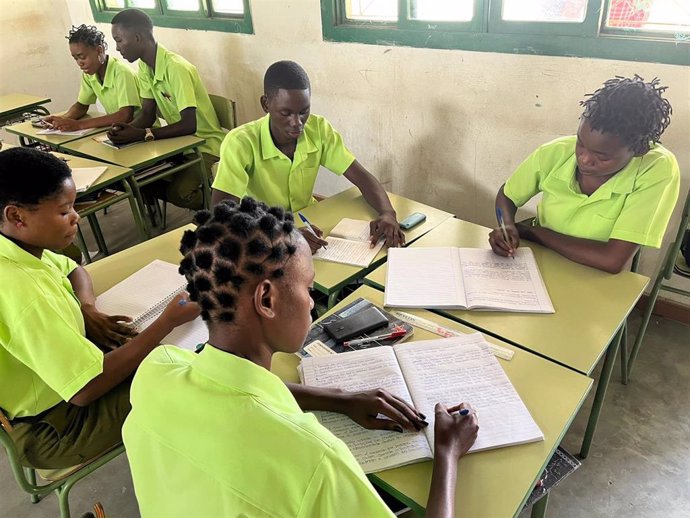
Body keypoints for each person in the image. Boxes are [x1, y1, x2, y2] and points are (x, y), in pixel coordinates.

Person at [123, 198, 479, 517]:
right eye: (308, 289)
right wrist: (447, 453)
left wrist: (339, 399)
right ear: (267, 300)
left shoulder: (156, 370)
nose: (312, 302)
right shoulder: (315, 460)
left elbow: (232, 391)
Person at [0, 147, 199, 469]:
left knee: (156, 356)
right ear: (17, 216)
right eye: (64, 211)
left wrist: (87, 308)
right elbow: (85, 388)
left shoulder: (17, 249)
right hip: (54, 426)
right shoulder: (23, 291)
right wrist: (166, 322)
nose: (76, 217)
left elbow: (73, 269)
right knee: (189, 376)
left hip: (59, 390)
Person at [489, 75, 680, 274]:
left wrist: (533, 232)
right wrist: (507, 226)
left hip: (594, 273)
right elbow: (508, 194)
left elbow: (611, 261)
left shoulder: (657, 169)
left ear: (639, 150)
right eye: (580, 143)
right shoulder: (556, 151)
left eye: (602, 156)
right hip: (541, 259)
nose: (584, 159)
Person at [211, 60, 405, 253]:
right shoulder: (240, 142)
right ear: (266, 104)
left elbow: (361, 177)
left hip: (308, 222)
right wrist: (283, 235)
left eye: (304, 112)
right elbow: (221, 216)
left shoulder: (318, 130)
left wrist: (388, 213)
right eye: (285, 113)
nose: (297, 123)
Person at [107, 8, 225, 210]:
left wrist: (144, 134)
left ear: (137, 38)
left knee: (180, 193)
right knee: (141, 181)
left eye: (119, 40)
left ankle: (223, 207)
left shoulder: (176, 68)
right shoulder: (145, 67)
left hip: (205, 146)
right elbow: (147, 114)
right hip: (178, 144)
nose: (117, 48)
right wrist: (124, 131)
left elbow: (189, 125)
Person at [43, 24, 141, 132]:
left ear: (99, 51)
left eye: (82, 57)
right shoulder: (90, 74)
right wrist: (62, 120)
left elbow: (125, 115)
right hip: (118, 129)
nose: (80, 63)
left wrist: (79, 125)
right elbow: (81, 105)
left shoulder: (121, 72)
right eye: (76, 59)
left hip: (139, 130)